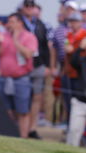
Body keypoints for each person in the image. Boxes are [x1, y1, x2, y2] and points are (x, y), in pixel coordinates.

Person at [0, 12, 38, 138]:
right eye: (9, 22)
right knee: (6, 110)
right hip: (4, 78)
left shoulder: (29, 37)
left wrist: (16, 40)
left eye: (12, 22)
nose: (9, 25)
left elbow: (28, 55)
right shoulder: (3, 36)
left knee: (22, 111)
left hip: (21, 79)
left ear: (20, 23)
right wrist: (1, 43)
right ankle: (10, 135)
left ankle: (23, 138)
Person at [20, 0, 52, 139]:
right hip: (22, 67)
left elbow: (45, 47)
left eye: (31, 5)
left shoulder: (40, 25)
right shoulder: (18, 23)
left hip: (38, 65)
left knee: (37, 97)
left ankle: (32, 128)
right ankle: (23, 128)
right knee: (23, 97)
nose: (29, 8)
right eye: (27, 5)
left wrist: (48, 66)